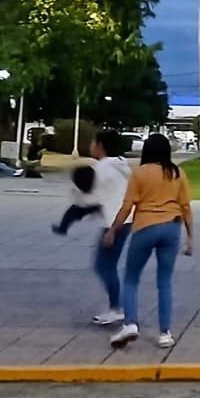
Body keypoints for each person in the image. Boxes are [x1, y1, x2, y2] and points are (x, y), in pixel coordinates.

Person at [105, 133, 194, 349]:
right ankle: (165, 333)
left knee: (131, 278)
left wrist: (113, 230)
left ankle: (130, 323)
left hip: (145, 227)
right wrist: (190, 237)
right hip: (172, 228)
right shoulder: (177, 173)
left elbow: (127, 206)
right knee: (164, 281)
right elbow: (185, 207)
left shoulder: (140, 173)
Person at [86, 131, 135, 325]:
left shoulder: (103, 167)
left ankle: (116, 307)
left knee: (103, 265)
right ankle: (116, 306)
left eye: (92, 141)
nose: (91, 145)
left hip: (113, 222)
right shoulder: (122, 164)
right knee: (108, 264)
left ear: (100, 145)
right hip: (125, 219)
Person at [53, 164, 101, 236]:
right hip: (94, 202)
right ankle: (63, 228)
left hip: (90, 202)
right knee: (74, 210)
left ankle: (63, 228)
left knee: (72, 211)